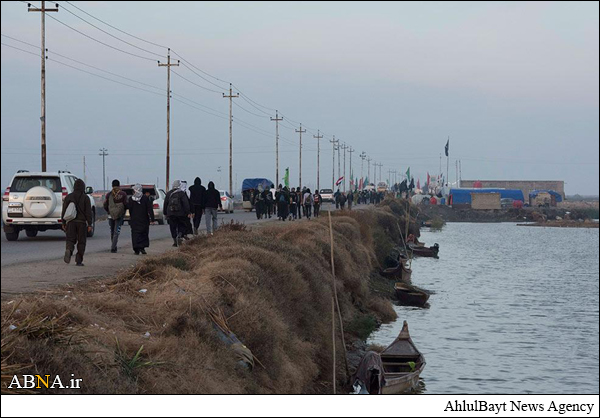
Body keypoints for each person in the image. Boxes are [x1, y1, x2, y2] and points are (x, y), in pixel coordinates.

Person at [62, 178, 93, 266]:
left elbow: (64, 211)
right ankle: (79, 260)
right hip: (81, 223)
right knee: (81, 242)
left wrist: (63, 223)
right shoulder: (85, 198)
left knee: (70, 239)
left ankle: (69, 250)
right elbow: (88, 212)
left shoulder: (69, 197)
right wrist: (89, 224)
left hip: (70, 222)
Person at [127, 184, 155, 255]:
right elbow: (149, 209)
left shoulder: (131, 199)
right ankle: (142, 247)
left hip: (135, 219)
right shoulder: (145, 198)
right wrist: (152, 219)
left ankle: (136, 248)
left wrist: (131, 217)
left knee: (135, 234)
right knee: (143, 233)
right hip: (144, 219)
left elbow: (130, 210)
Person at [164, 180, 191, 247]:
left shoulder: (169, 193)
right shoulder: (182, 193)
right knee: (182, 225)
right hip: (180, 213)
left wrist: (165, 213)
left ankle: (175, 241)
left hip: (171, 213)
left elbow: (165, 204)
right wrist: (188, 212)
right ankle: (180, 235)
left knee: (172, 227)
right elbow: (185, 203)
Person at [103, 179, 128, 253]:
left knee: (112, 230)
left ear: (112, 185)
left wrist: (109, 211)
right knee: (116, 231)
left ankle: (113, 245)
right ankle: (113, 247)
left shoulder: (109, 195)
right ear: (119, 185)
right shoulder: (123, 194)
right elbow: (126, 204)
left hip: (111, 215)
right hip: (119, 215)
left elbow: (105, 205)